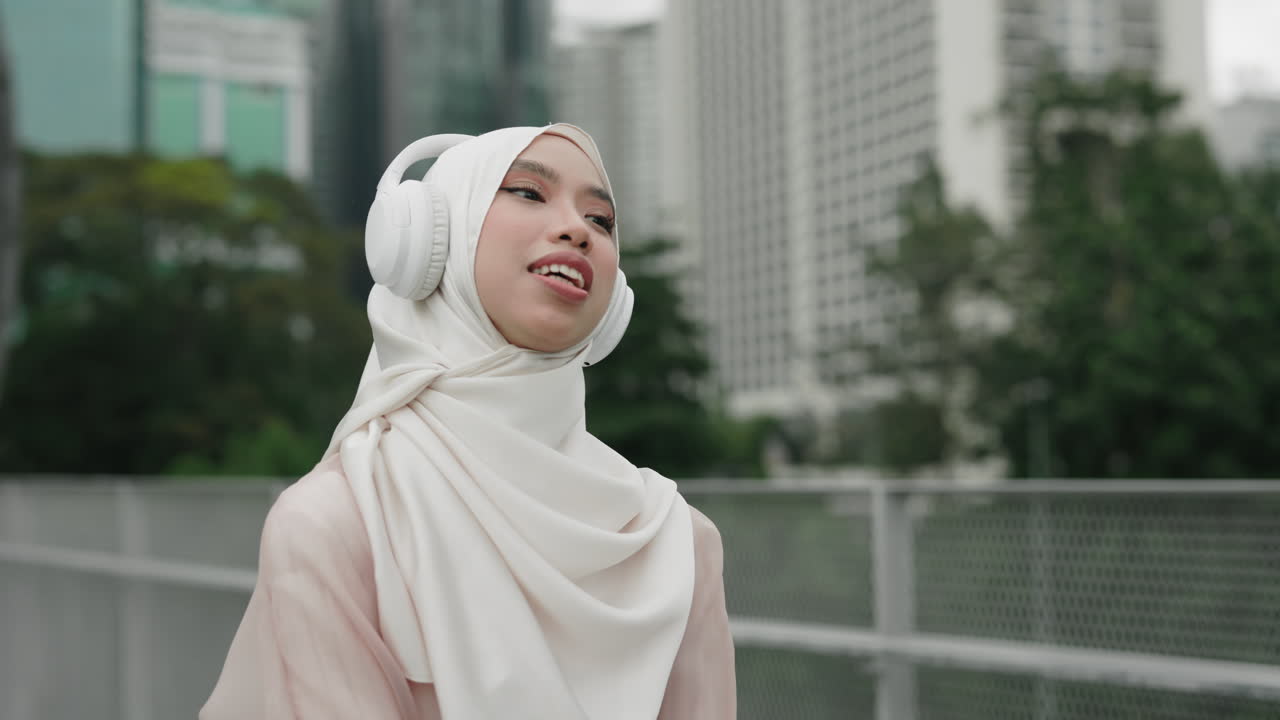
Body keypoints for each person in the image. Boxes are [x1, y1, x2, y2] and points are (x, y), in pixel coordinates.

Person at [199, 124, 736, 719]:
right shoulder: (334, 528)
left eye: (601, 222)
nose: (576, 230)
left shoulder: (681, 543)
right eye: (529, 193)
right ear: (431, 240)